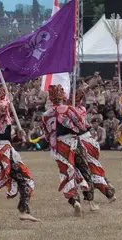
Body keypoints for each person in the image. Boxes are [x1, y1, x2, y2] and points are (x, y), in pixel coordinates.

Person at [0, 89, 39, 232]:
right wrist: (8, 99)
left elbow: (4, 136)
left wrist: (18, 135)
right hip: (3, 151)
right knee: (27, 179)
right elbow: (3, 107)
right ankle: (24, 211)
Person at [42, 85, 99, 217]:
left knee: (66, 174)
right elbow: (82, 126)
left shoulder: (46, 115)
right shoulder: (70, 109)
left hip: (60, 146)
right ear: (62, 97)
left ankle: (74, 201)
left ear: (51, 99)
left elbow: (46, 134)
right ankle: (91, 203)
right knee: (84, 169)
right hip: (74, 143)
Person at [72, 89, 117, 203]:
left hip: (82, 142)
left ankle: (108, 193)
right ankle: (107, 183)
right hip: (91, 141)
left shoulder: (70, 111)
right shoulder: (82, 109)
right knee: (93, 166)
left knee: (87, 169)